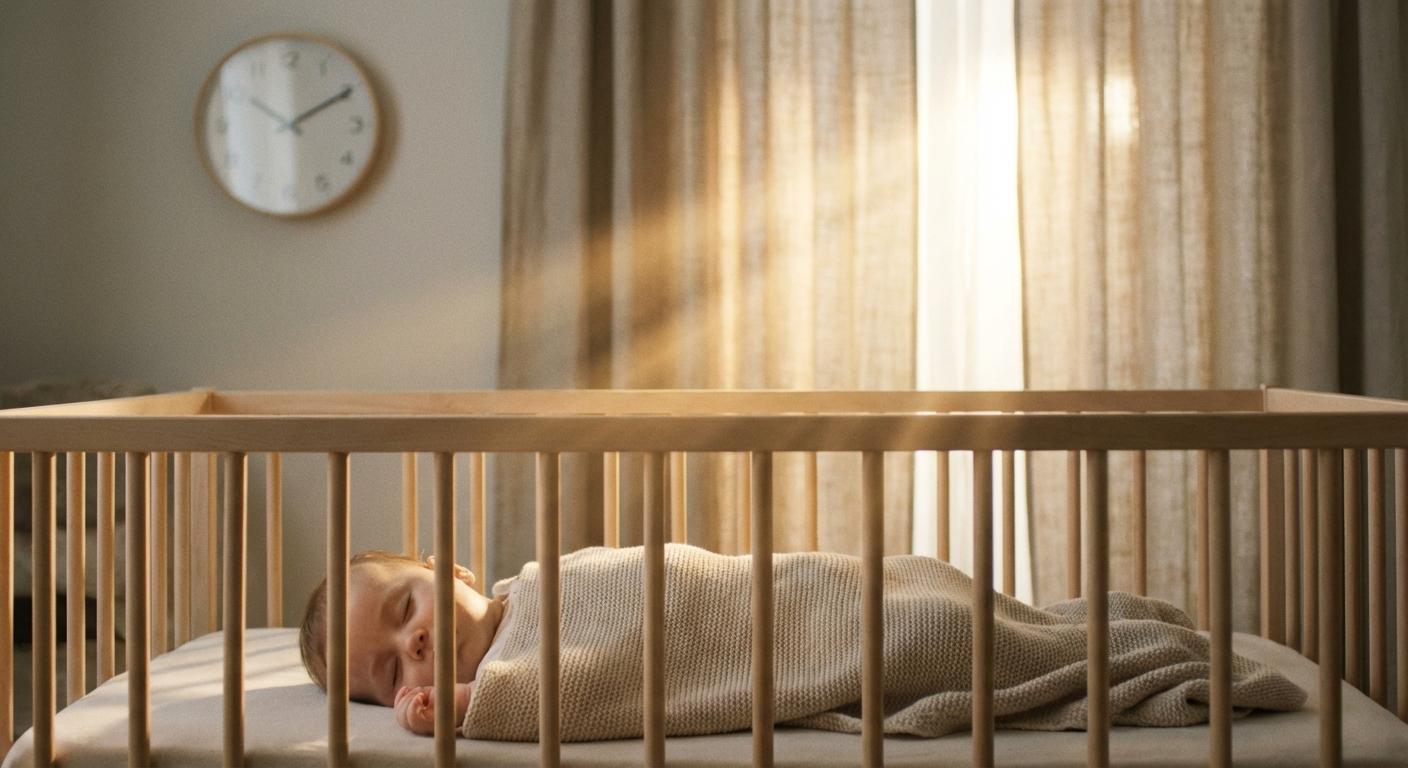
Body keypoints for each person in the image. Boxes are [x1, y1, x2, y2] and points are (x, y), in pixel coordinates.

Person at [298, 550, 508, 735]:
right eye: (394, 671)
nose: (411, 643)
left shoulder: (524, 583)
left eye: (407, 608)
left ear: (450, 570)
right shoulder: (499, 685)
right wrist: (470, 700)